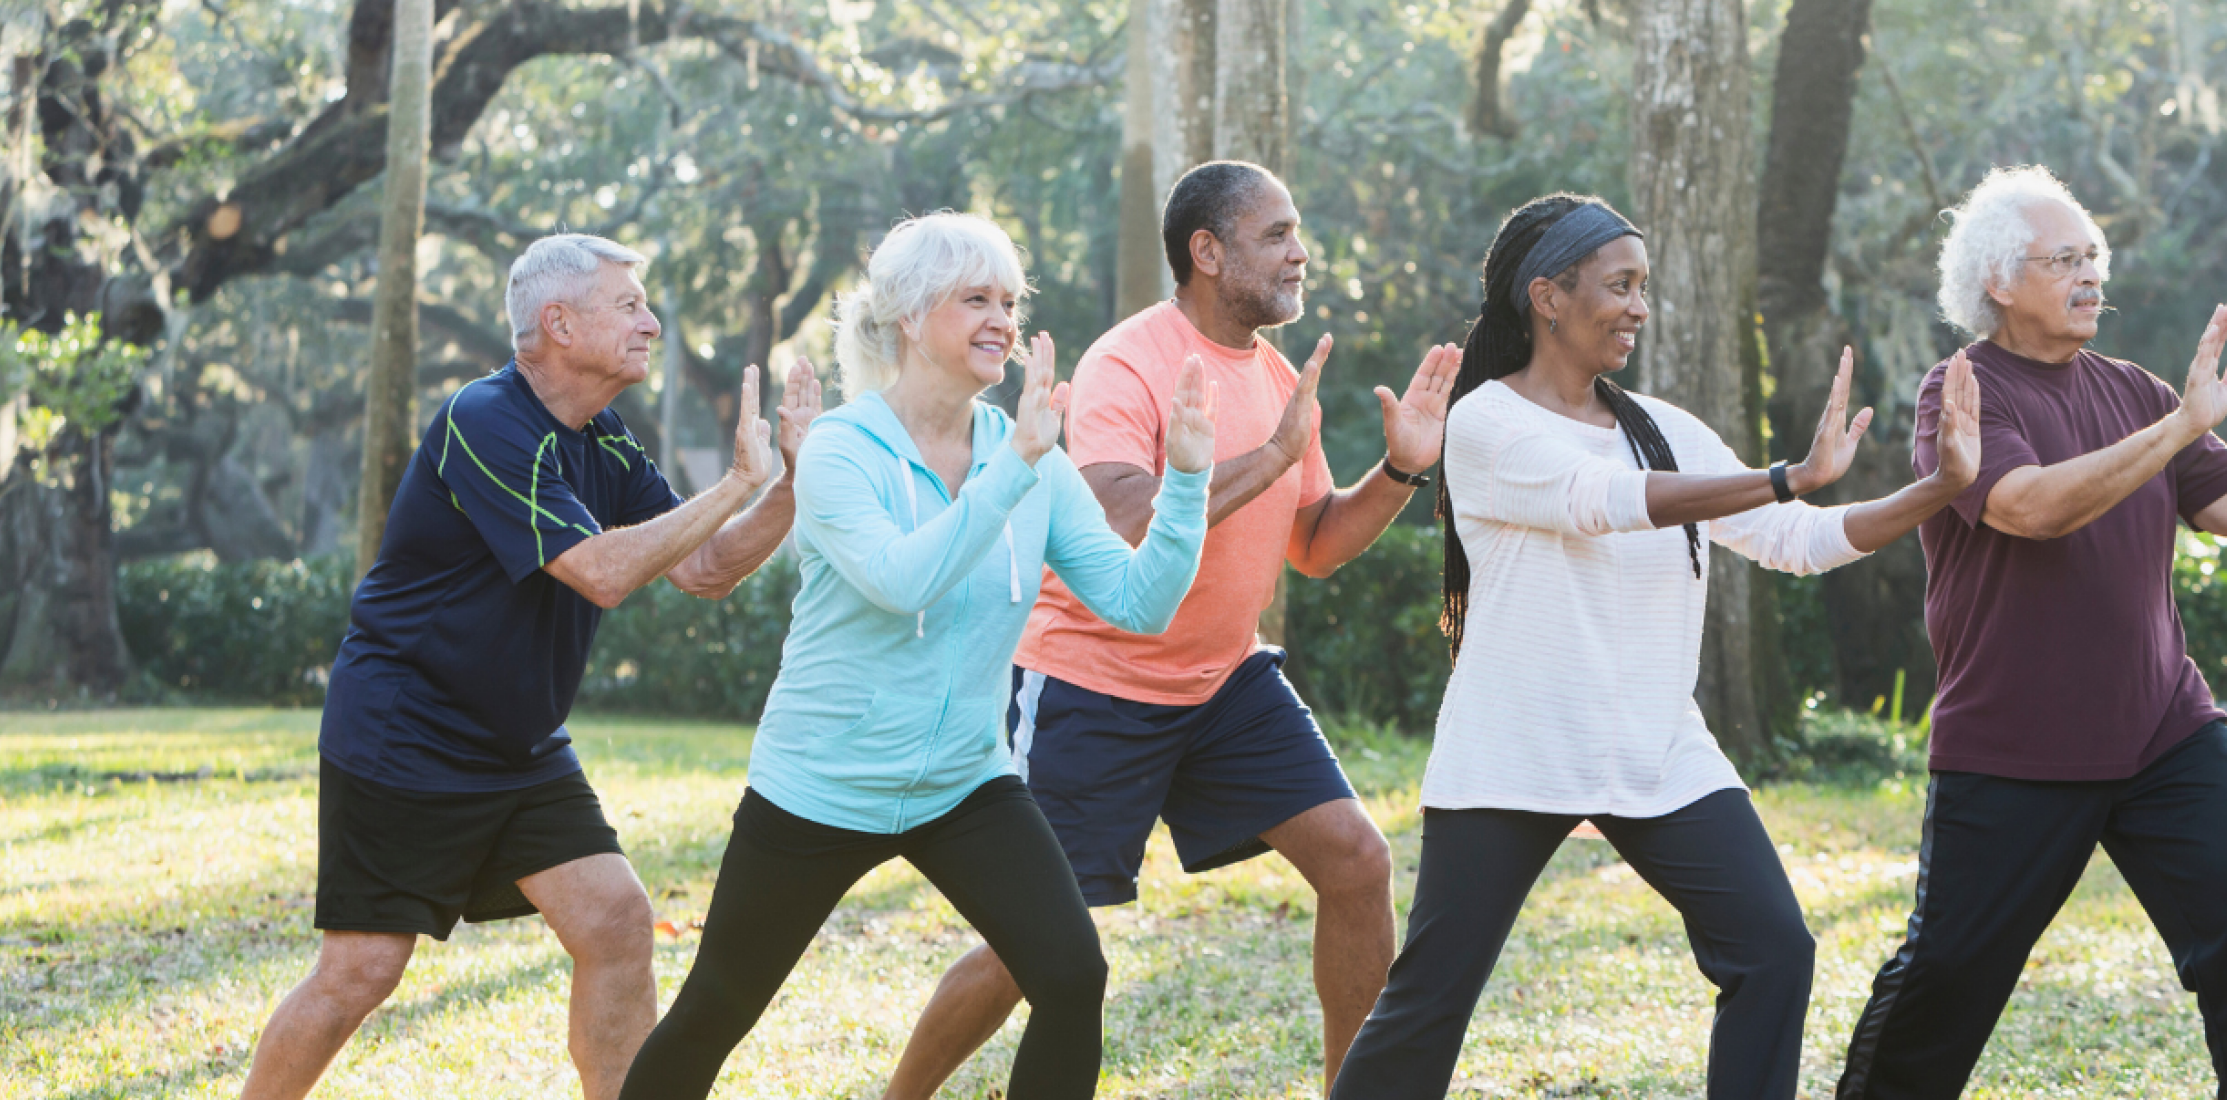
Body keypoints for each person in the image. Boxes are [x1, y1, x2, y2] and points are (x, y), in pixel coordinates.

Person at [1324, 194, 1983, 1100]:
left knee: (1773, 952)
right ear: (1547, 297)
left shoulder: (1661, 427)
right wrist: (1781, 474)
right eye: (1619, 285)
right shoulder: (1484, 425)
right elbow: (1604, 501)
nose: (1639, 306)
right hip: (1517, 750)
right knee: (1431, 999)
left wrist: (1940, 487)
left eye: (1645, 287)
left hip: (1658, 749)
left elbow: (1798, 539)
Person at [884, 160, 1462, 1096]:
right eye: (1276, 234)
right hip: (1095, 682)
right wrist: (1272, 454)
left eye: (1294, 233)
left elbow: (1312, 544)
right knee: (1031, 942)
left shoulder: (1278, 376)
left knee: (1357, 861)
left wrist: (1397, 473)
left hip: (1225, 682)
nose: (1299, 253)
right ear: (1207, 251)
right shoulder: (1130, 359)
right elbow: (1122, 515)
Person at [616, 212, 1217, 1100]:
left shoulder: (1032, 460)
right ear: (907, 317)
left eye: (1010, 301)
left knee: (1070, 973)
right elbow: (905, 582)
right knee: (717, 1009)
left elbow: (1139, 601)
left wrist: (1189, 483)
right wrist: (1013, 465)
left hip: (962, 782)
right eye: (975, 298)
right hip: (820, 783)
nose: (1002, 320)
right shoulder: (841, 451)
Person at [1834, 166, 2227, 1100]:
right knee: (1948, 981)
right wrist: (2175, 430)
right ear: (1999, 284)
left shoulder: (2133, 390)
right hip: (2014, 744)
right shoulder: (1960, 391)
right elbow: (2030, 510)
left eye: (2094, 256)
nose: (2091, 276)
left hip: (2163, 729)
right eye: (2064, 260)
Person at [241, 234, 819, 1100]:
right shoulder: (486, 420)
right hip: (407, 730)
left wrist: (789, 484)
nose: (651, 323)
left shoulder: (605, 438)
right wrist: (737, 480)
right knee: (360, 971)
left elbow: (704, 571)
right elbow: (603, 572)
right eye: (628, 306)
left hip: (518, 743)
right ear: (557, 322)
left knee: (617, 919)